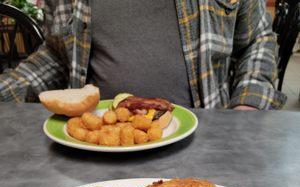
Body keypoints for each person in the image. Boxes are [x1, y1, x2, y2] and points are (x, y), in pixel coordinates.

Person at [0, 0, 286, 109]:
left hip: (206, 145)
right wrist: (5, 91)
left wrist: (248, 105)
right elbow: (56, 54)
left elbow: (258, 40)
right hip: (95, 147)